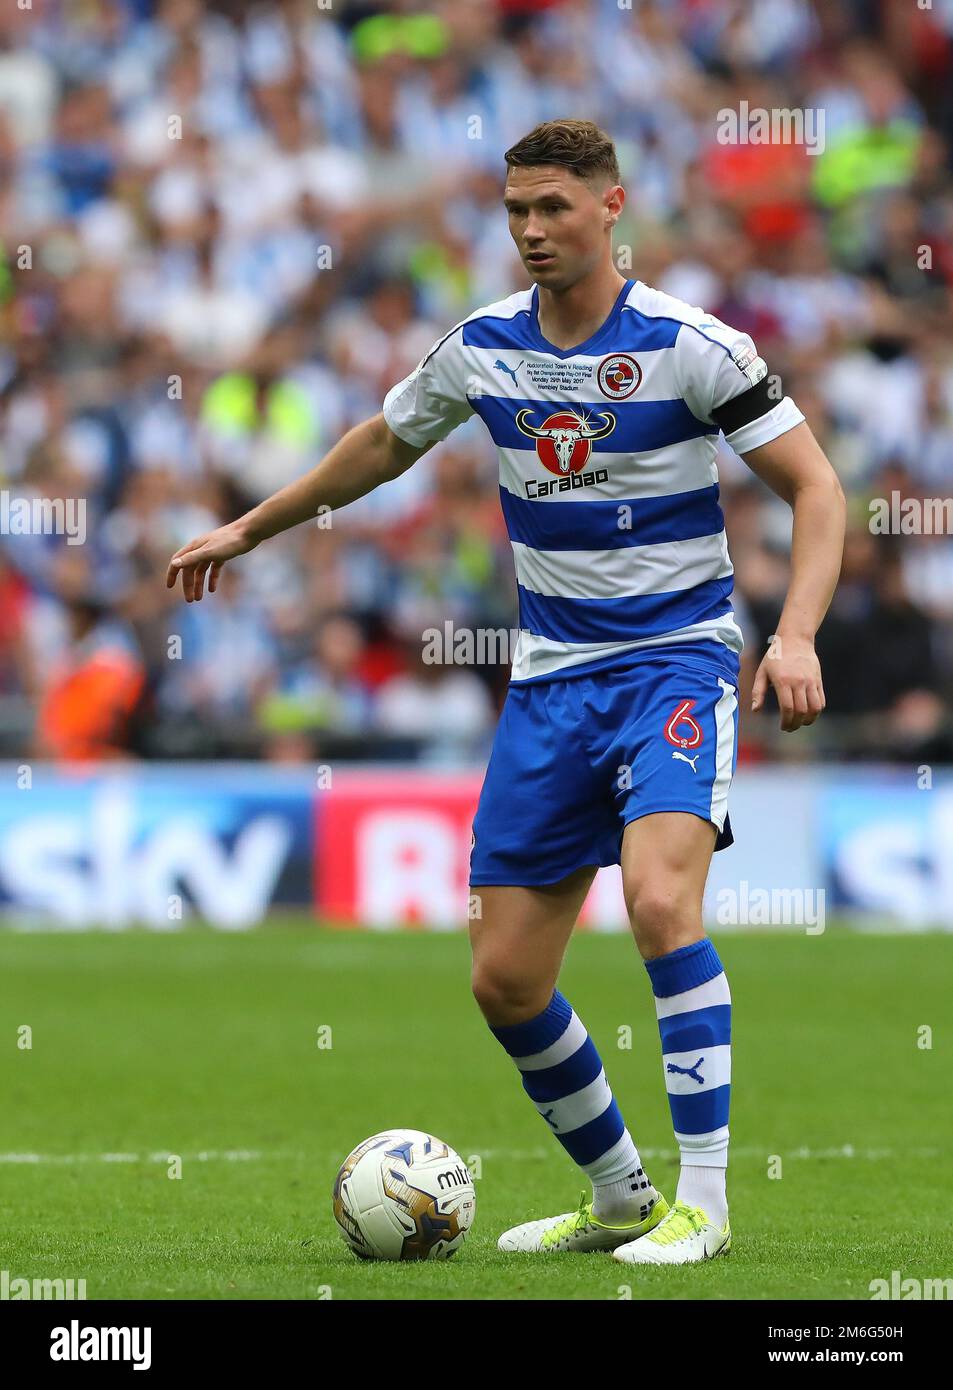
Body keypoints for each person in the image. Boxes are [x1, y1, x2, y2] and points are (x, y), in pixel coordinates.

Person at [166, 119, 845, 1265]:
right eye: (516, 210)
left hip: (671, 665)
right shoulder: (482, 348)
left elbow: (818, 489)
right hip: (547, 687)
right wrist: (247, 526)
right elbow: (381, 446)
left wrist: (793, 635)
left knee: (660, 905)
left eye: (554, 209)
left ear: (611, 206)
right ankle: (620, 1196)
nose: (531, 230)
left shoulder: (693, 347)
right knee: (504, 977)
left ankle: (707, 1207)